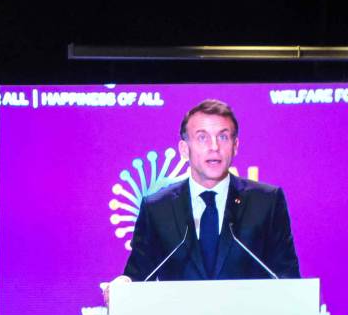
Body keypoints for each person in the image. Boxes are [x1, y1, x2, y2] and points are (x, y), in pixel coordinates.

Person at [116, 98, 299, 286]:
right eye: (202, 137)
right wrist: (123, 284)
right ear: (184, 149)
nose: (214, 147)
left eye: (223, 137)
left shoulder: (266, 202)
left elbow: (287, 277)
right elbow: (137, 277)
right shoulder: (157, 208)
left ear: (235, 146)